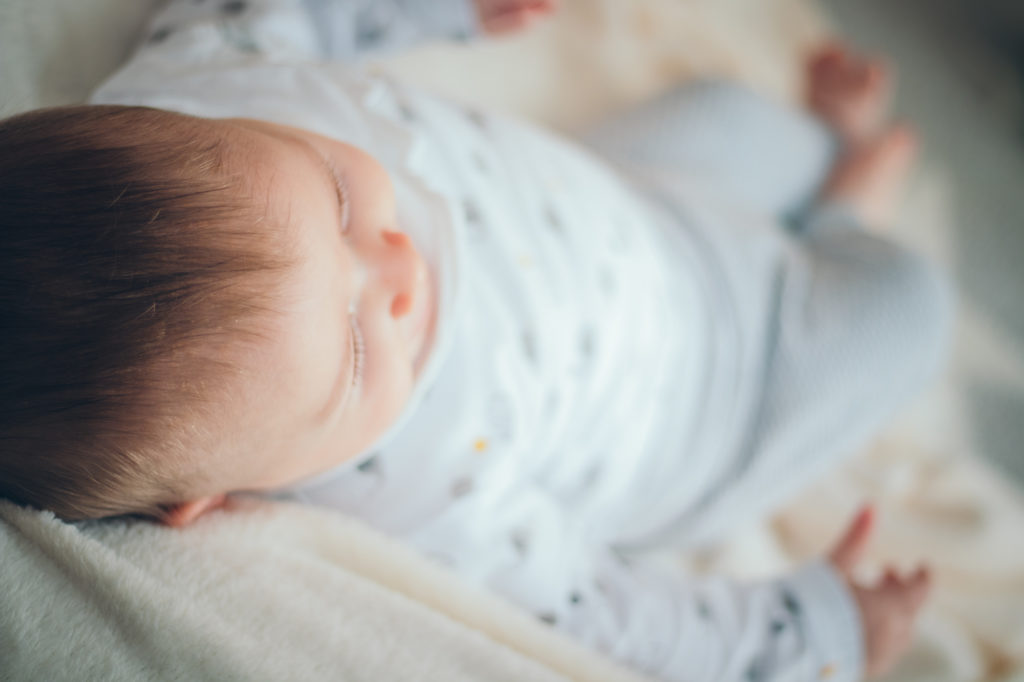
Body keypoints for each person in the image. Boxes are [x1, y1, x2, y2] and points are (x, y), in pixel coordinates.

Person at [0, 1, 951, 679]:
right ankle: (843, 211)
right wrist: (812, 630)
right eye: (360, 354)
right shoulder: (416, 493)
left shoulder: (209, 82)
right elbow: (611, 621)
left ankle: (821, 158)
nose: (403, 270)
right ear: (197, 503)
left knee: (732, 114)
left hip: (634, 194)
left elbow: (280, 11)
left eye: (338, 199)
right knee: (908, 306)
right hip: (719, 391)